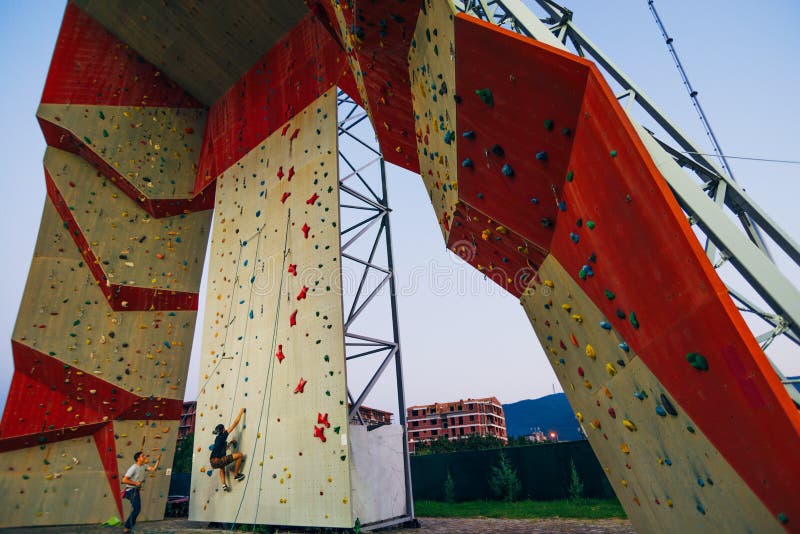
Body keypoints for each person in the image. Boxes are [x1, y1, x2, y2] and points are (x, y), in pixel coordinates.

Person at [121, 451, 160, 533]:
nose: (145, 457)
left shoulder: (144, 466)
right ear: (138, 458)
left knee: (137, 509)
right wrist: (135, 483)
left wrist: (158, 460)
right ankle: (127, 528)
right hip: (131, 490)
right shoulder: (133, 468)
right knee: (137, 509)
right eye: (143, 456)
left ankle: (128, 528)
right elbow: (124, 480)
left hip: (136, 490)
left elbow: (153, 469)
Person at [210, 407, 246, 492]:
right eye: (224, 429)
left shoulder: (218, 438)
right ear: (223, 430)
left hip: (212, 461)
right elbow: (234, 423)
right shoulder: (223, 435)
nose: (225, 429)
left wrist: (230, 443)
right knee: (240, 455)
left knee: (221, 466)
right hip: (218, 460)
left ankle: (223, 485)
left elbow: (222, 449)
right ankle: (236, 475)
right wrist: (241, 412)